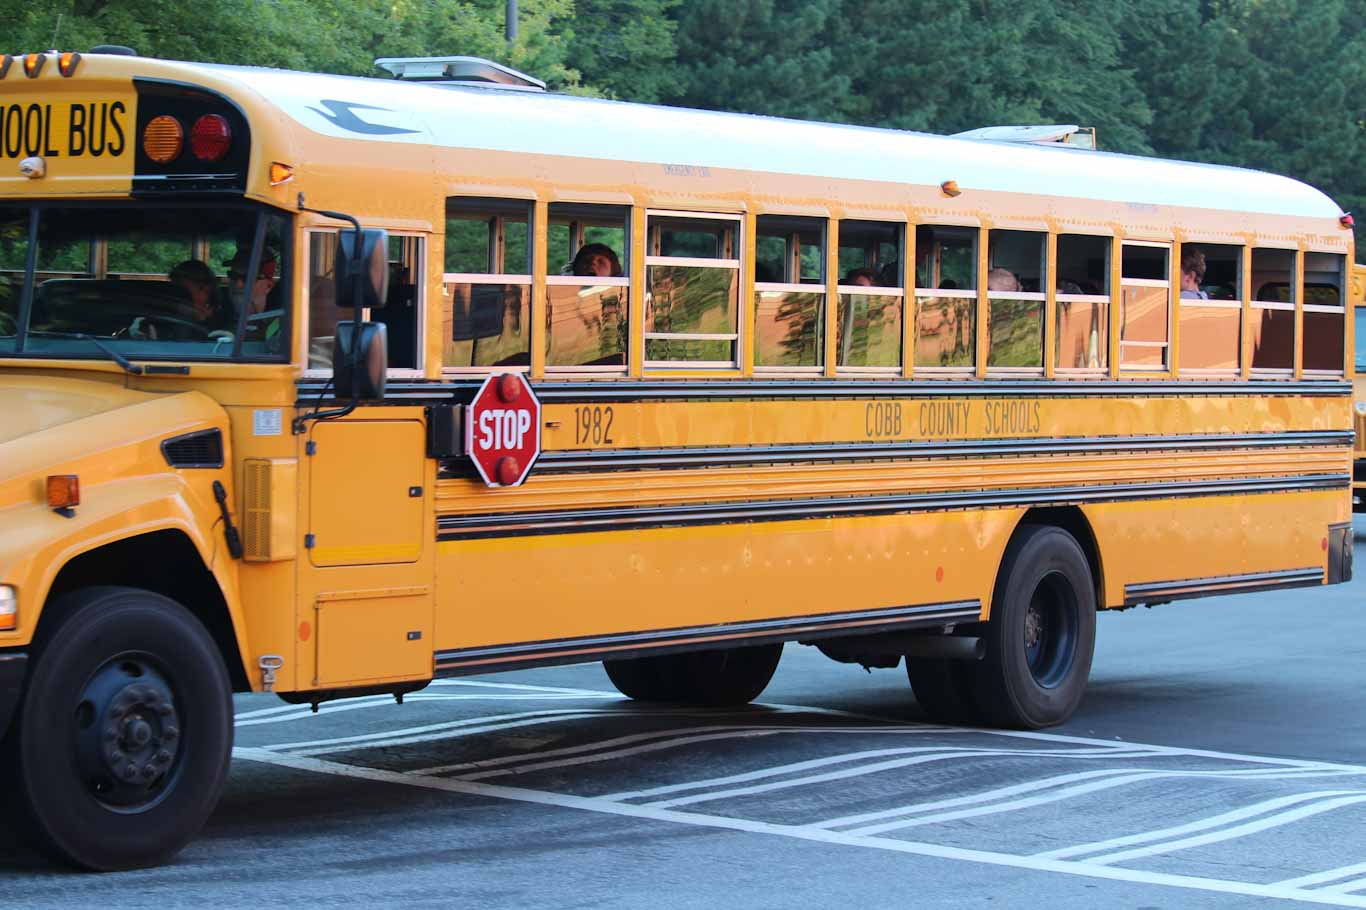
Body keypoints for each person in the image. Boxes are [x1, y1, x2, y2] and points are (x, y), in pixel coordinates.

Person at [226, 248, 283, 349]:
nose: (238, 285)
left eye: (248, 278)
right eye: (233, 276)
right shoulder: (220, 314)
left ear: (269, 286)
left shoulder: (283, 324)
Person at [169, 259, 233, 333]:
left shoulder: (223, 317)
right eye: (177, 289)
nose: (179, 295)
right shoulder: (166, 312)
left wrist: (203, 321)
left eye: (184, 291)